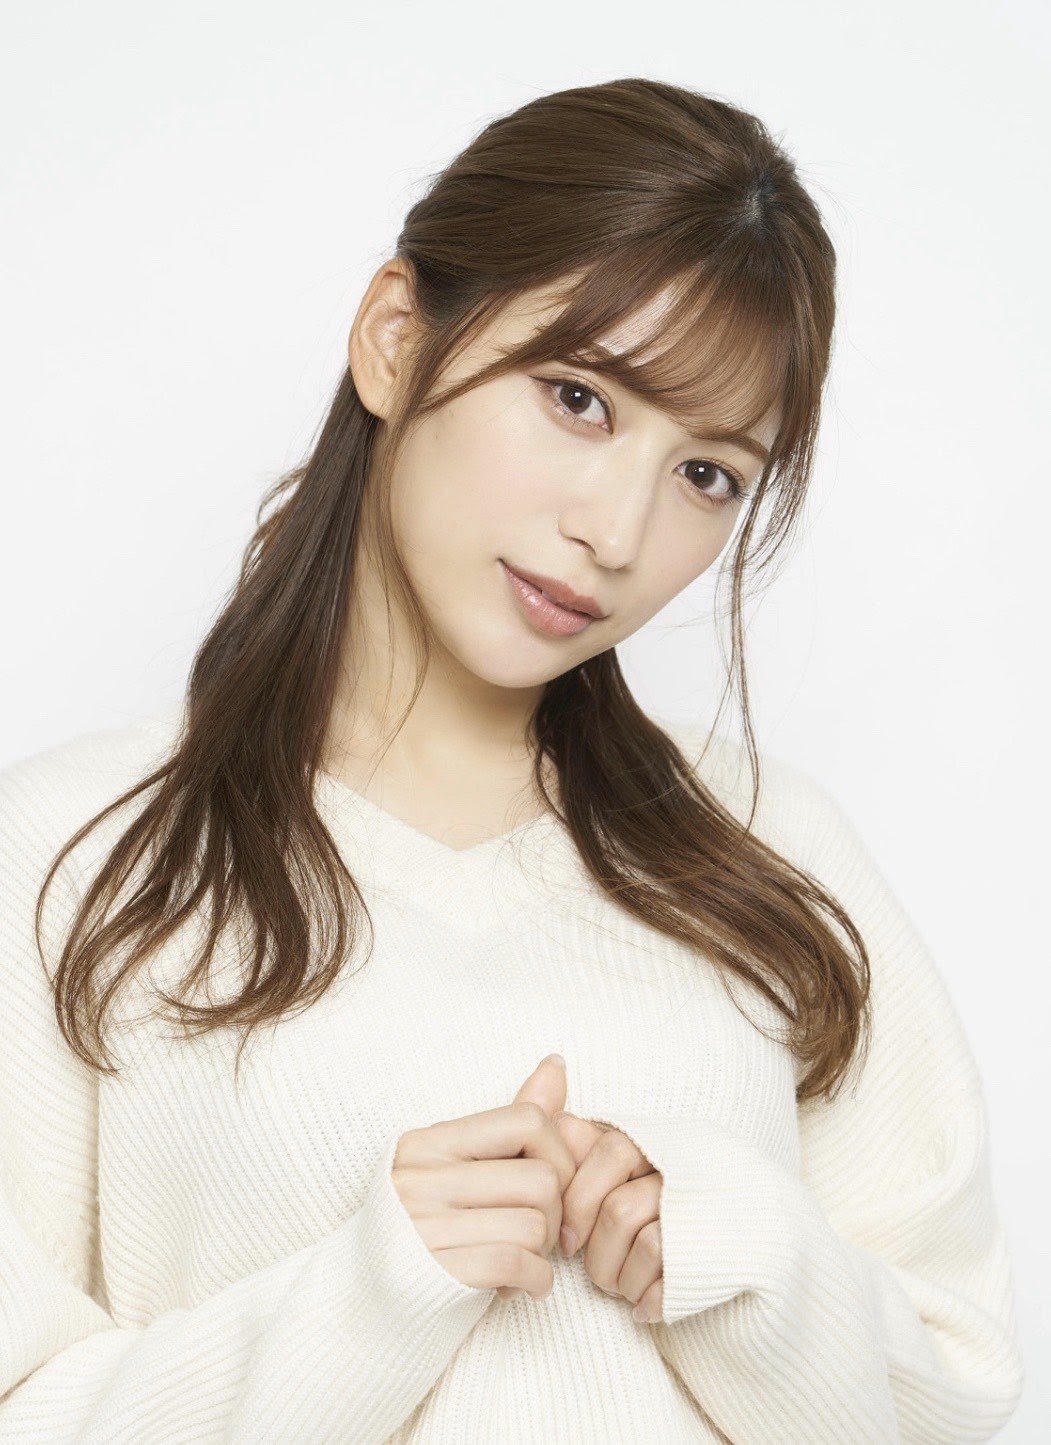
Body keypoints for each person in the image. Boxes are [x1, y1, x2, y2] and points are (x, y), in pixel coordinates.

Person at [0, 77, 1024, 1442]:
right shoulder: (72, 856)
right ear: (394, 341)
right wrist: (363, 1301)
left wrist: (751, 1265)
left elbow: (959, 1398)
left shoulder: (775, 852)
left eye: (708, 474)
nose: (618, 533)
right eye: (578, 398)